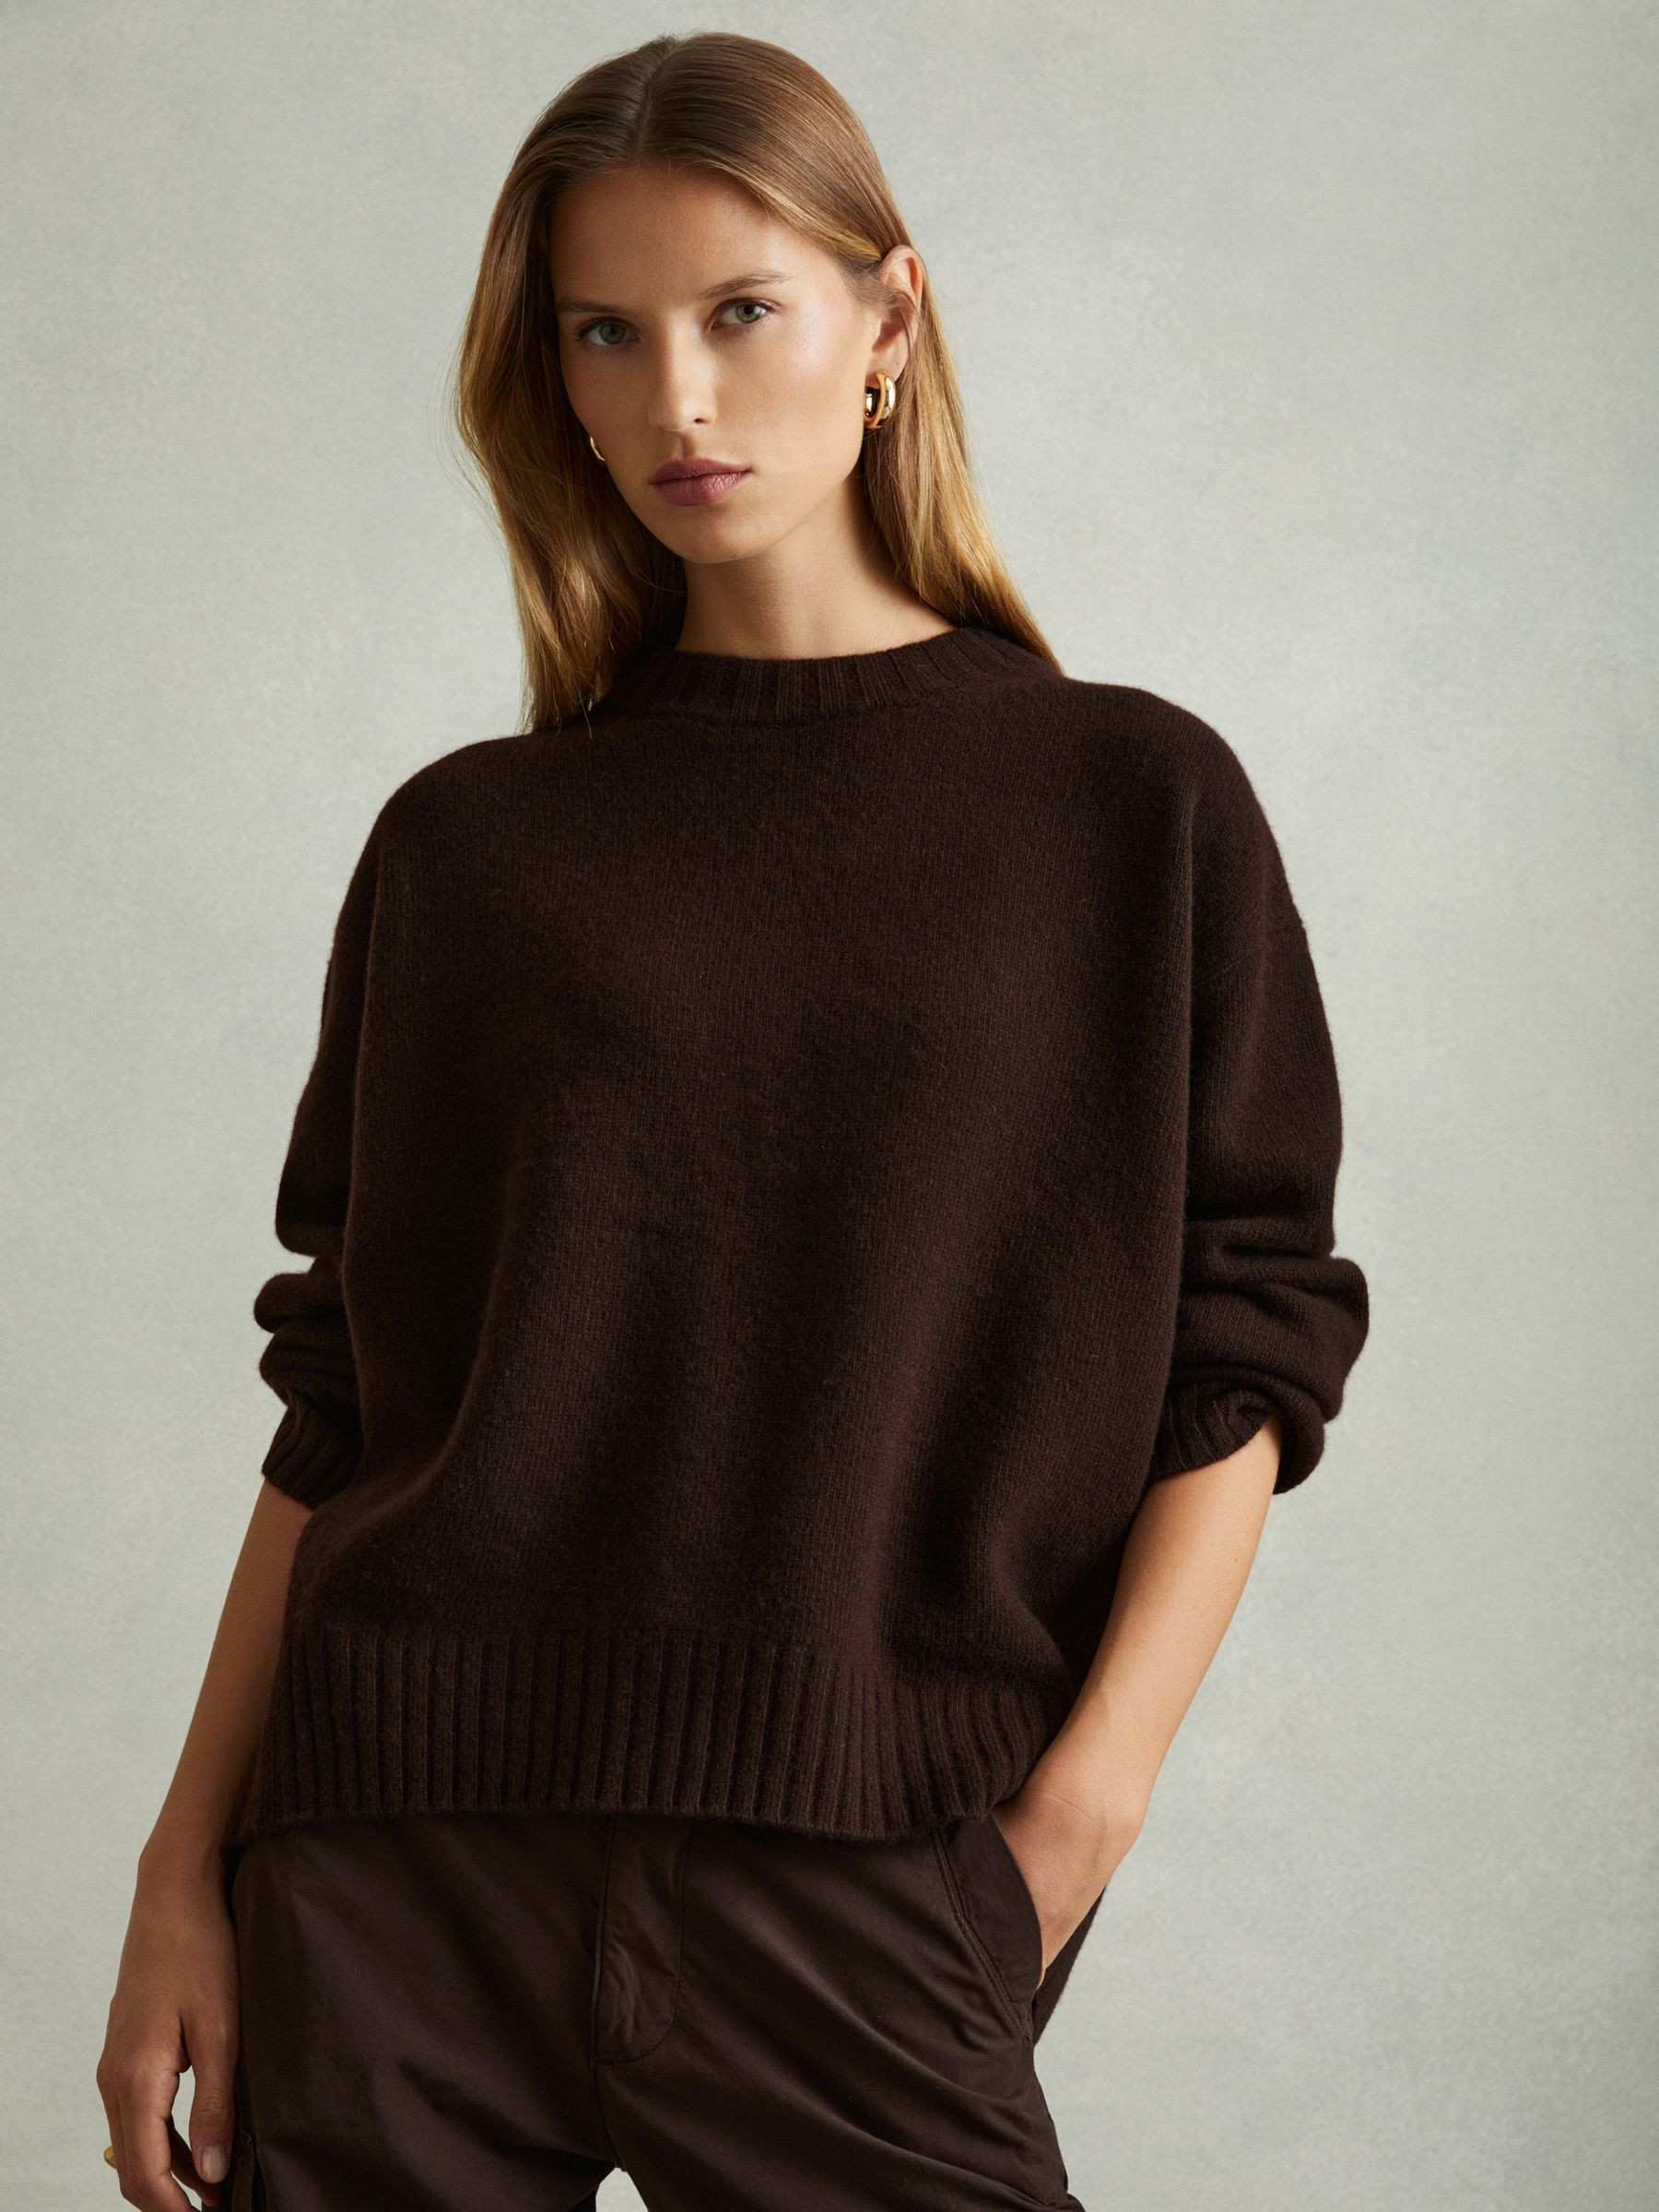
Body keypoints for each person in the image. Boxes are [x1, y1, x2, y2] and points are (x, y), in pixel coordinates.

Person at [97, 29, 1370, 2212]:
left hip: (858, 1879)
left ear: (889, 325)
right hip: (397, 1875)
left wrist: (1072, 1823)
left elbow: (1242, 1344)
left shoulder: (1130, 806)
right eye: (608, 332)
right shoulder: (471, 845)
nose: (678, 397)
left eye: (741, 312)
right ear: (559, 383)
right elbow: (349, 1397)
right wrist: (176, 1874)